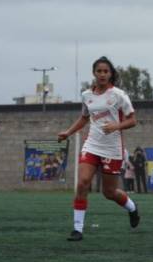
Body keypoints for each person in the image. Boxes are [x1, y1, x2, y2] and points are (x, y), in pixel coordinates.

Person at [58, 56, 140, 241]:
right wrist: (68, 132)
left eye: (106, 71)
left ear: (110, 74)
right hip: (92, 145)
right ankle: (77, 229)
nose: (102, 74)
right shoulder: (87, 95)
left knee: (109, 193)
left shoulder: (118, 95)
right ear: (94, 73)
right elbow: (84, 118)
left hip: (112, 149)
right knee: (82, 182)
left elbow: (133, 120)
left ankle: (132, 208)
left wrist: (116, 126)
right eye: (99, 71)